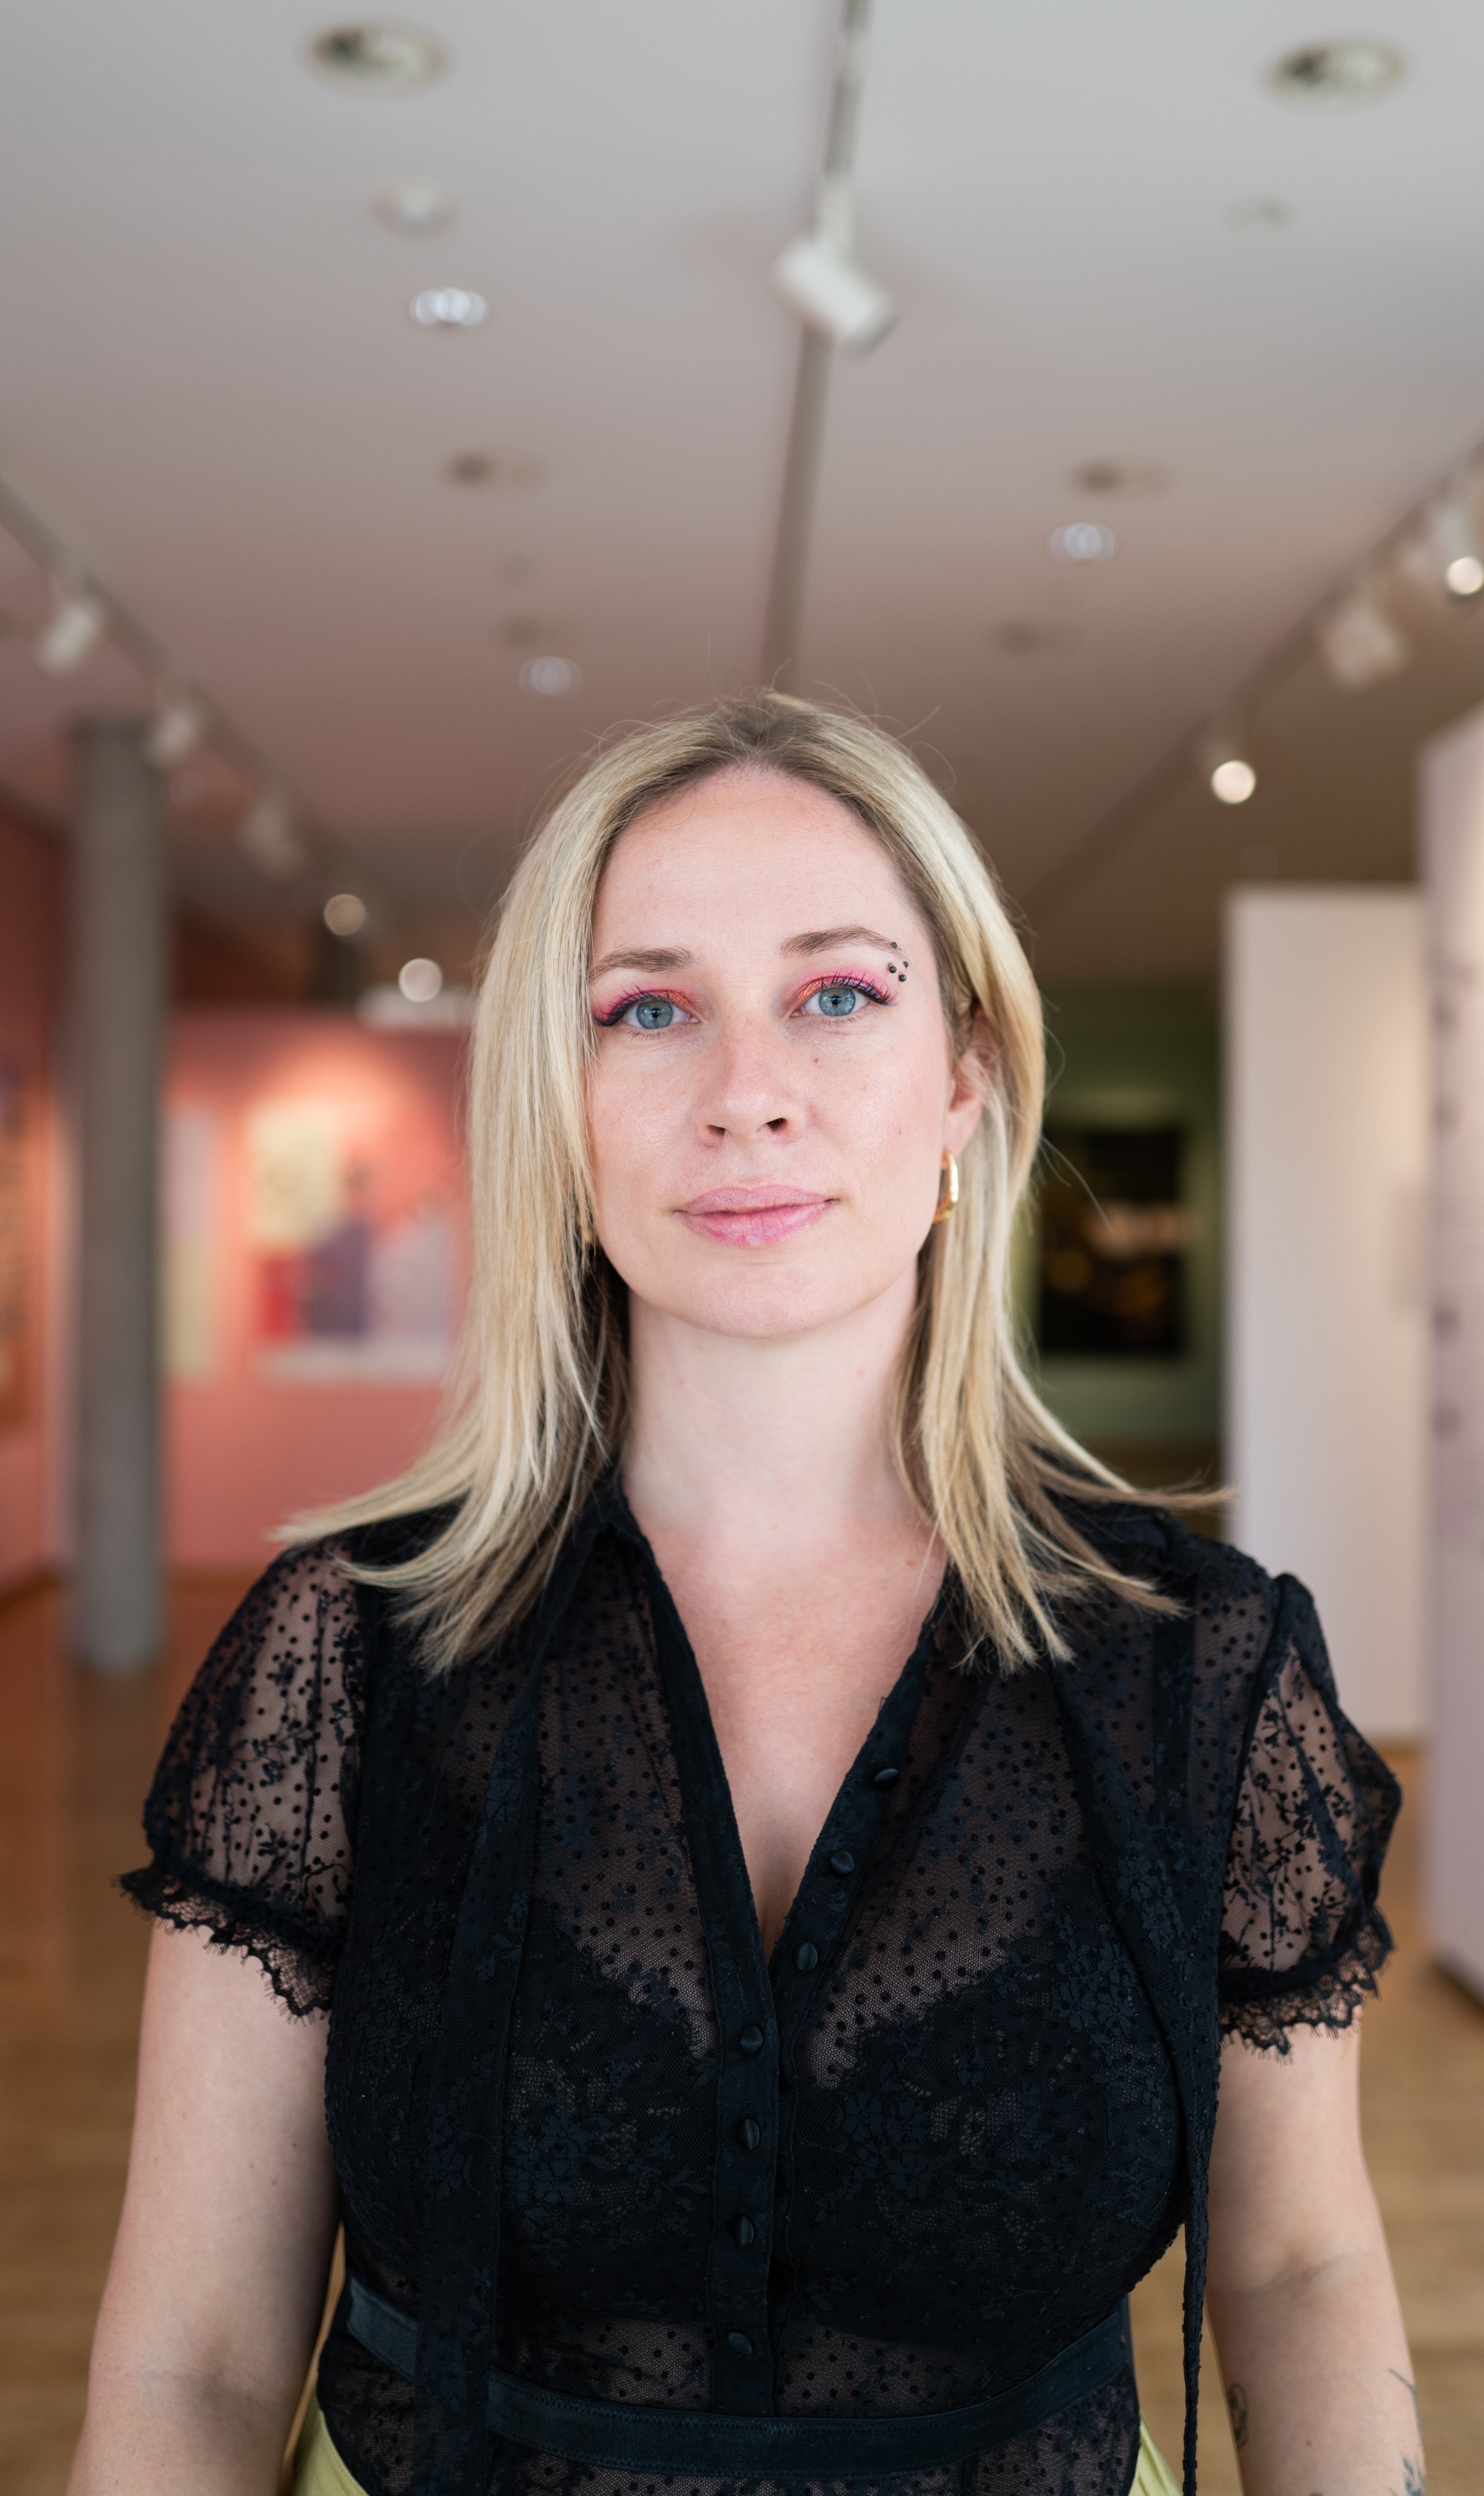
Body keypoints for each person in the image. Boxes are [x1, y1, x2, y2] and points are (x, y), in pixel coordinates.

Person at [70, 695, 1419, 2496]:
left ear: (964, 1078)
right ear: (562, 1104)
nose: (747, 1088)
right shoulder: (347, 1653)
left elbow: (1298, 2262)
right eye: (647, 1007)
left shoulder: (1201, 1667)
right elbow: (196, 2358)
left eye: (839, 992)